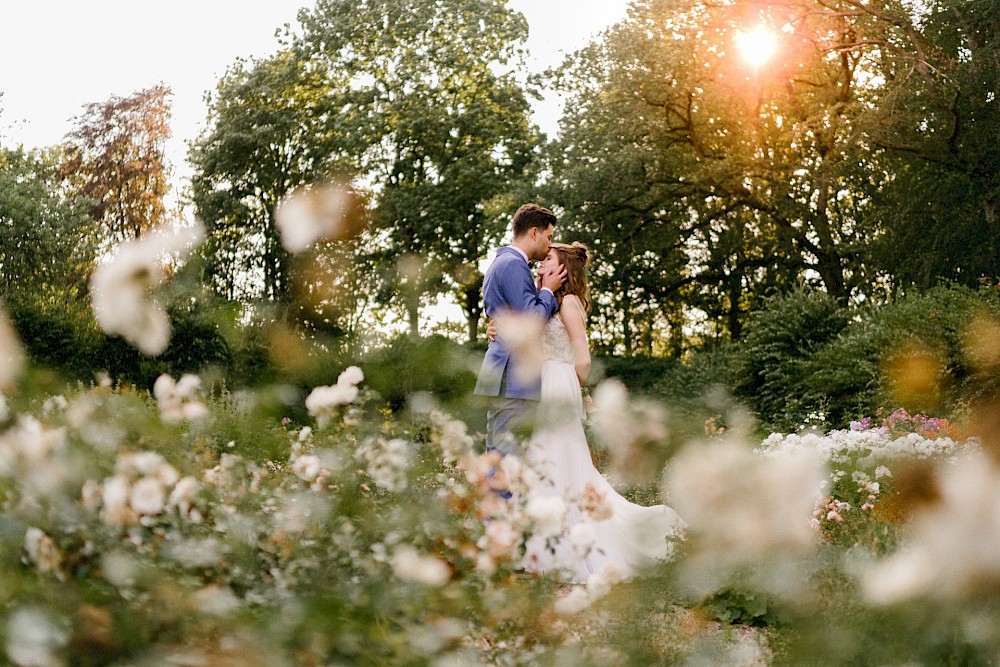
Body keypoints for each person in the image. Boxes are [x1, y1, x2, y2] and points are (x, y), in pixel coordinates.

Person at [515, 242, 685, 583]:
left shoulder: (569, 302)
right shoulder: (541, 299)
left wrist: (569, 385)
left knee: (558, 461)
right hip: (541, 384)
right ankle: (542, 547)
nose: (541, 262)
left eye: (548, 259)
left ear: (564, 269)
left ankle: (566, 549)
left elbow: (583, 358)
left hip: (558, 384)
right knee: (542, 461)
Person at [474, 203, 567, 457]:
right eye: (548, 237)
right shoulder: (514, 265)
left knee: (498, 456)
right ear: (534, 233)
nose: (549, 245)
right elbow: (530, 323)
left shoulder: (499, 262)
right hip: (512, 379)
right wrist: (547, 290)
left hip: (500, 377)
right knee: (508, 460)